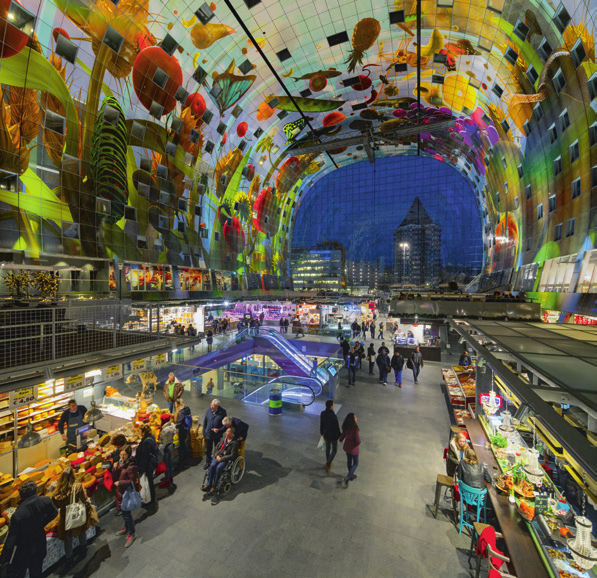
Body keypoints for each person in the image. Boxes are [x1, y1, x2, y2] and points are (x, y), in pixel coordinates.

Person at [0, 481, 58, 578]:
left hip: (24, 551)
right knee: (36, 572)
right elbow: (54, 513)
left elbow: (11, 541)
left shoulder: (17, 515)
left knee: (20, 573)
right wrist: (41, 524)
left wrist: (3, 560)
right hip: (39, 545)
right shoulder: (45, 500)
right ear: (36, 490)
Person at [51, 467, 93, 568]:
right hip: (77, 513)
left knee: (67, 538)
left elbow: (55, 505)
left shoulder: (56, 492)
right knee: (81, 531)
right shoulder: (77, 487)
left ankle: (69, 559)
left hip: (65, 517)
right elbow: (83, 499)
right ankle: (83, 549)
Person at [201, 427, 239, 495]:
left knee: (218, 468)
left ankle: (214, 486)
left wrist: (222, 459)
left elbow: (233, 455)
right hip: (218, 456)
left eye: (227, 432)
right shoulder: (223, 439)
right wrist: (217, 455)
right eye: (226, 432)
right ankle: (208, 484)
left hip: (225, 459)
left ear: (232, 434)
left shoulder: (235, 443)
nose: (226, 433)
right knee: (212, 466)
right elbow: (216, 448)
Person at [113, 445, 138, 548]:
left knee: (127, 514)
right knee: (124, 512)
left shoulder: (131, 466)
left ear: (128, 455)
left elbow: (131, 481)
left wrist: (120, 483)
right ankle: (126, 527)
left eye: (124, 455)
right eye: (121, 454)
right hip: (121, 492)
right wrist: (115, 468)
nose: (122, 456)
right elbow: (115, 476)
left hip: (126, 493)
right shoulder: (121, 463)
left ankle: (132, 533)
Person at [135, 424, 158, 508]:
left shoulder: (146, 442)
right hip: (150, 464)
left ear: (143, 431)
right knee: (149, 482)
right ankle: (150, 498)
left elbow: (145, 457)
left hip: (147, 466)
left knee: (148, 483)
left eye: (140, 431)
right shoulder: (150, 437)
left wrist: (143, 469)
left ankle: (150, 500)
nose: (139, 432)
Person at [202, 399, 227, 469]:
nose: (211, 407)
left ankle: (215, 462)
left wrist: (219, 430)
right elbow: (205, 422)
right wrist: (204, 432)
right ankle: (208, 462)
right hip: (209, 434)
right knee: (209, 449)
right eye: (211, 405)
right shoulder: (208, 411)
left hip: (217, 435)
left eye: (213, 406)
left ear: (217, 406)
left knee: (217, 449)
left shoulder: (222, 412)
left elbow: (225, 425)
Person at [339, 413, 361, 488]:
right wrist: (356, 445)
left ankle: (351, 475)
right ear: (353, 419)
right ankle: (348, 476)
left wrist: (341, 440)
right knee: (355, 463)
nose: (356, 418)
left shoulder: (346, 427)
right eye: (355, 417)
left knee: (349, 461)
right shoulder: (355, 429)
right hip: (353, 450)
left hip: (347, 448)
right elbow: (358, 441)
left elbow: (341, 438)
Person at [320, 399, 341, 474]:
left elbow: (321, 424)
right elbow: (337, 427)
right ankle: (328, 464)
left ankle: (328, 462)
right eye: (333, 404)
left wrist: (321, 432)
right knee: (334, 450)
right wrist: (340, 435)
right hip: (333, 435)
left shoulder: (323, 413)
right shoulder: (333, 416)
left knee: (328, 449)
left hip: (326, 434)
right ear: (331, 406)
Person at [158, 414, 176, 488]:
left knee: (166, 464)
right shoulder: (172, 425)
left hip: (165, 448)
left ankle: (167, 480)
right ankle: (170, 476)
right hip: (170, 446)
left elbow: (163, 442)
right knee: (169, 462)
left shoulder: (164, 430)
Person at [175, 398, 192, 470]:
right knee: (184, 445)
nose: (175, 405)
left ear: (178, 404)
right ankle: (185, 460)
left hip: (182, 430)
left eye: (175, 404)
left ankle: (182, 462)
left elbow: (179, 422)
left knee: (181, 446)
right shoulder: (186, 408)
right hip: (186, 429)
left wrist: (175, 426)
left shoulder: (181, 412)